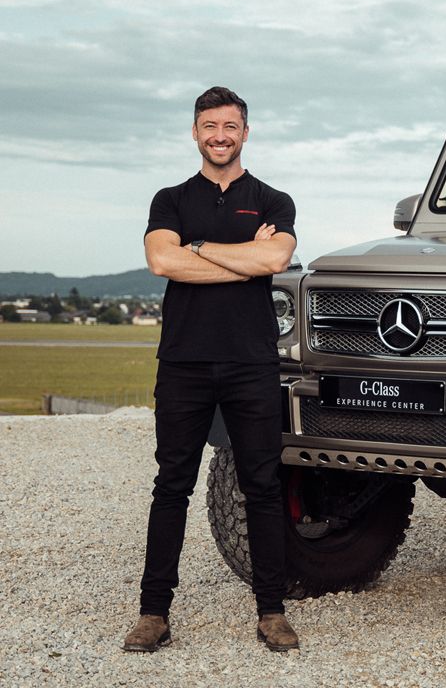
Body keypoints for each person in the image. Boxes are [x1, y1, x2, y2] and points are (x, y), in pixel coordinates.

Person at [123, 86, 299, 653]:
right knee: (171, 486)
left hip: (251, 361)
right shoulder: (170, 199)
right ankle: (154, 613)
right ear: (194, 133)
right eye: (208, 125)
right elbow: (159, 259)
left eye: (230, 125)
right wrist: (237, 254)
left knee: (262, 486)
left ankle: (272, 611)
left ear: (245, 132)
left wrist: (197, 250)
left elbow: (274, 259)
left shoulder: (274, 200)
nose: (219, 135)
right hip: (184, 363)